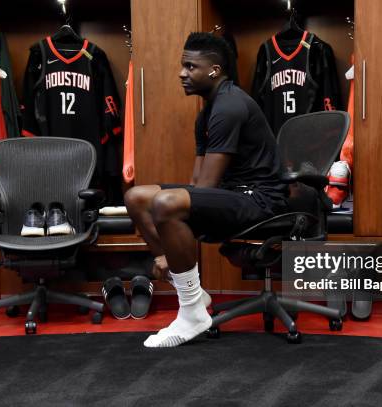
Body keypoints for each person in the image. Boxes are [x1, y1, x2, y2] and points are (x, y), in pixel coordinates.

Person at [124, 32, 289, 347]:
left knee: (166, 203)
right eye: (182, 66)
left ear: (214, 70)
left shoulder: (230, 106)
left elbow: (206, 188)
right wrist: (168, 252)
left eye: (190, 67)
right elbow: (199, 186)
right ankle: (193, 293)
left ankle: (191, 313)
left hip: (261, 200)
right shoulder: (207, 113)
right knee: (138, 197)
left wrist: (169, 252)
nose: (182, 74)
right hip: (233, 194)